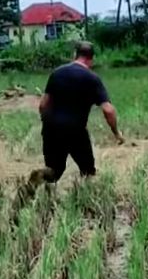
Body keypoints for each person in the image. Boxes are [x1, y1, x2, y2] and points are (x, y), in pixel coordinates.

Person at [37, 41, 123, 182]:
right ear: (91, 58)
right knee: (88, 171)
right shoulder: (92, 78)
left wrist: (47, 124)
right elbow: (108, 110)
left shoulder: (57, 73)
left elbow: (43, 105)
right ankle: (85, 200)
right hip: (75, 131)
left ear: (75, 55)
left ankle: (35, 185)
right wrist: (116, 132)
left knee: (53, 171)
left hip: (51, 129)